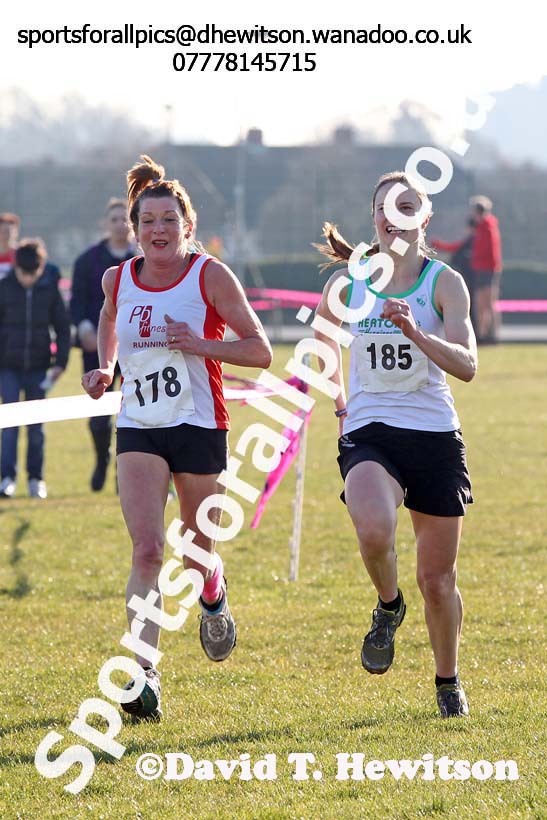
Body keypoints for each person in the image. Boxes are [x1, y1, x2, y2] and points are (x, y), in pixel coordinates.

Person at [82, 156, 272, 721]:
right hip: (140, 425)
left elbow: (260, 351)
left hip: (198, 424)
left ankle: (213, 592)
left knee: (196, 550)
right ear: (134, 229)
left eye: (169, 220)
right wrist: (106, 366)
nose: (158, 230)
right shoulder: (118, 278)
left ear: (188, 225)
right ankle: (145, 675)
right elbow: (109, 319)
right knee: (147, 550)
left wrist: (200, 343)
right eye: (148, 221)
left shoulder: (210, 275)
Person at [314, 171, 477, 718]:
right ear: (375, 220)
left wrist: (416, 333)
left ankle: (447, 681)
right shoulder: (351, 284)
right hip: (369, 430)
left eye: (406, 206)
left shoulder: (444, 283)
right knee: (373, 527)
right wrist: (341, 404)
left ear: (424, 218)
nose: (393, 216)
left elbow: (468, 365)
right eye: (384, 207)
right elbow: (322, 339)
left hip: (433, 435)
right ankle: (388, 605)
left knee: (438, 581)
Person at [70, 199, 137, 490]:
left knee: (133, 412)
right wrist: (85, 328)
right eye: (115, 219)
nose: (121, 225)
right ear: (105, 224)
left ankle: (125, 471)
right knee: (99, 416)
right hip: (97, 347)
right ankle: (101, 458)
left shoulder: (143, 259)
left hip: (135, 348)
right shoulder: (87, 261)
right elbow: (77, 302)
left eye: (125, 219)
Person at [0, 239, 70, 499]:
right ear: (15, 267)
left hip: (39, 368)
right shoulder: (4, 288)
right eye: (24, 273)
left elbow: (62, 327)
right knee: (9, 426)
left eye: (34, 273)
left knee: (36, 428)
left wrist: (60, 363)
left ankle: (35, 479)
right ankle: (7, 478)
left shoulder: (50, 290)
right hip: (7, 367)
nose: (28, 278)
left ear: (41, 268)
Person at [431, 217, 477, 329]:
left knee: (476, 306)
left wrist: (438, 244)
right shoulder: (472, 240)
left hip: (472, 277)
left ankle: (480, 331)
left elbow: (454, 247)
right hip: (471, 276)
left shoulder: (472, 240)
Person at [468, 196, 502, 343]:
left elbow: (490, 251)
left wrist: (474, 256)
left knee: (487, 304)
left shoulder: (487, 227)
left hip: (487, 270)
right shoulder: (481, 228)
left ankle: (490, 334)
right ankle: (482, 334)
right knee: (481, 304)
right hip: (481, 269)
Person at [0, 213, 20, 279]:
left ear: (16, 233)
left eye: (8, 232)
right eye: (2, 232)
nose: (5, 236)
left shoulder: (20, 254)